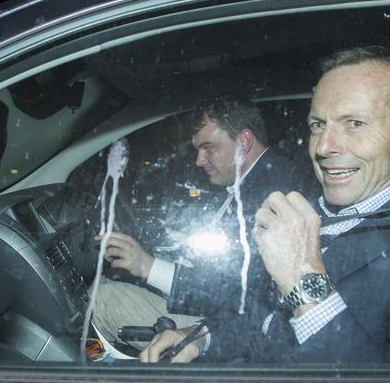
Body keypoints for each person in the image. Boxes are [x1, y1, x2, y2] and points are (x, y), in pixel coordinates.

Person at [140, 46, 390, 365]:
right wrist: (200, 340)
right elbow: (265, 320)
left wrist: (304, 279)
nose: (323, 148)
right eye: (318, 125)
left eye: (354, 123)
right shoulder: (321, 213)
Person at [92, 94, 302, 345]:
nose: (199, 160)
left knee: (99, 299)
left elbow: (238, 295)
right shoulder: (256, 181)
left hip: (227, 328)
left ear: (244, 141)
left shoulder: (273, 194)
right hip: (222, 313)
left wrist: (148, 266)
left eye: (208, 148)